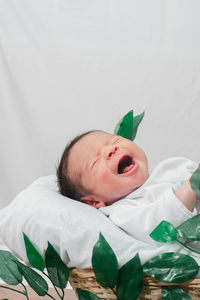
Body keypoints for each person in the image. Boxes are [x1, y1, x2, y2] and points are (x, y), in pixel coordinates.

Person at [57, 130, 199, 245]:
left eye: (115, 140)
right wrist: (192, 184)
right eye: (95, 162)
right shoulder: (123, 212)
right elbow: (160, 230)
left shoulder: (171, 167)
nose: (111, 149)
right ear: (93, 202)